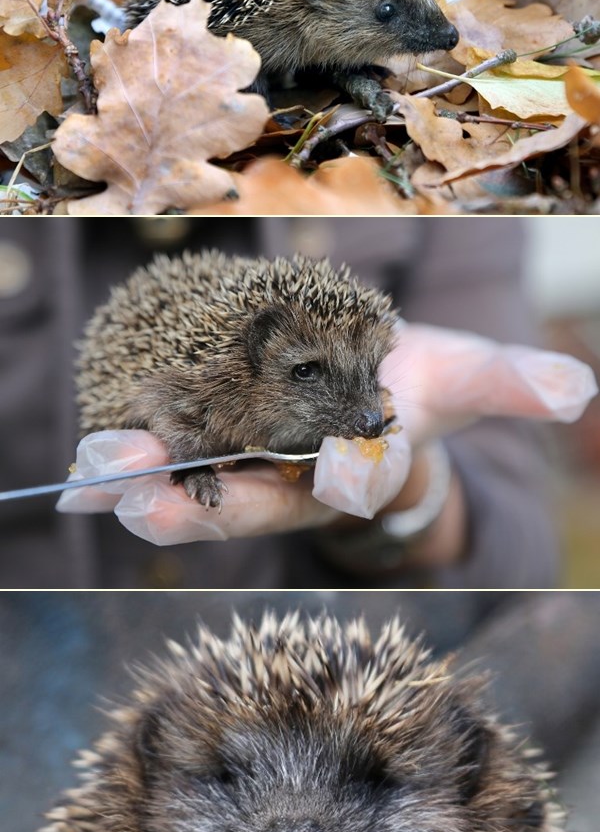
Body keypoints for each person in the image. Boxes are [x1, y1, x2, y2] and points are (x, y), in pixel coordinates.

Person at [0, 218, 595, 590]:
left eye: (372, 376)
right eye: (309, 372)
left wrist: (413, 490)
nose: (367, 414)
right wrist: (194, 459)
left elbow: (528, 561)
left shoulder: (458, 227)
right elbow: (165, 407)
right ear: (257, 356)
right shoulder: (209, 385)